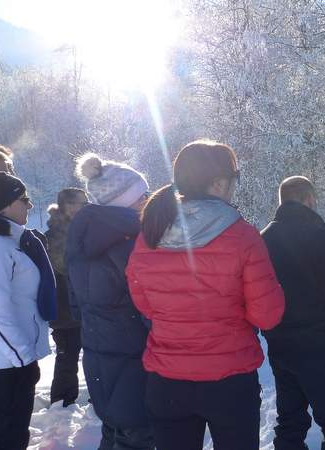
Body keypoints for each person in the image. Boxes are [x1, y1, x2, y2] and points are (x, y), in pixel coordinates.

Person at [126, 140, 285, 450]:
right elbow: (267, 315)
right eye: (235, 178)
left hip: (167, 381)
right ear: (219, 182)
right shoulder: (242, 235)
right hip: (228, 382)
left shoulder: (150, 234)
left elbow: (144, 304)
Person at [261, 176, 325, 450]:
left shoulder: (263, 239)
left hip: (280, 345)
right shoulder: (320, 236)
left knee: (290, 422)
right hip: (317, 346)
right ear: (309, 200)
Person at [66, 154, 155, 449]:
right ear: (124, 202)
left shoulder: (82, 240)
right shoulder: (130, 245)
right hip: (135, 358)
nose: (148, 200)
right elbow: (151, 310)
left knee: (115, 431)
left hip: (99, 355)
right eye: (143, 195)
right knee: (137, 435)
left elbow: (76, 303)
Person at [0, 172, 56, 449]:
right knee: (9, 436)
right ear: (4, 203)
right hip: (6, 364)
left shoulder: (10, 241)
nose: (30, 206)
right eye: (24, 199)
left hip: (12, 360)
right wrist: (22, 357)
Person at [46, 188, 88, 407]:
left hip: (90, 307)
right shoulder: (54, 234)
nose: (79, 208)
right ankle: (61, 404)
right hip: (64, 310)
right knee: (67, 359)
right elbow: (62, 268)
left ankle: (97, 400)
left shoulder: (90, 228)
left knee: (95, 358)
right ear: (64, 206)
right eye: (75, 204)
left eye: (83, 203)